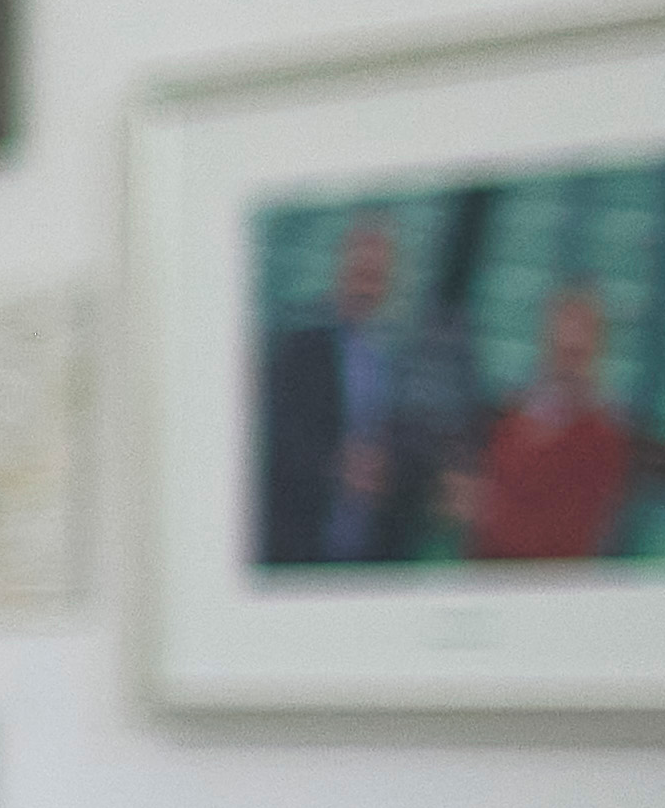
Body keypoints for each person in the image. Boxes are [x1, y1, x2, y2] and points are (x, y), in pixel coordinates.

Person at [247, 213, 470, 573]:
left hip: (368, 557)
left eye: (378, 271)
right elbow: (276, 437)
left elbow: (415, 449)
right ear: (342, 266)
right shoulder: (300, 345)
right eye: (362, 267)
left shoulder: (399, 358)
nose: (368, 280)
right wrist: (335, 465)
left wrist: (389, 469)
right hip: (298, 549)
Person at [456, 279, 636, 565]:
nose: (567, 351)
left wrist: (487, 510)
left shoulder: (602, 434)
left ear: (596, 349)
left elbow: (569, 534)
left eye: (578, 349)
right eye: (560, 345)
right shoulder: (514, 418)